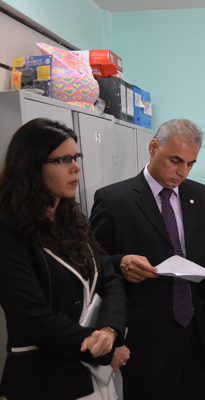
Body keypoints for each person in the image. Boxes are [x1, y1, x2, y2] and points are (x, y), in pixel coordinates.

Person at [89, 118, 205, 400]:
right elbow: (93, 262)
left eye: (190, 164)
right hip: (146, 338)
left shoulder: (203, 196)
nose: (182, 172)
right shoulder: (113, 199)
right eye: (175, 161)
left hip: (199, 335)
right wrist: (120, 263)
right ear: (153, 147)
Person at [0, 118, 127, 400]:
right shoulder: (9, 230)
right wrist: (101, 347)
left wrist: (110, 330)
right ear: (32, 167)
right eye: (63, 160)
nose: (76, 167)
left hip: (94, 379)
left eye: (75, 157)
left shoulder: (72, 220)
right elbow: (31, 317)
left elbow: (110, 281)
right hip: (44, 380)